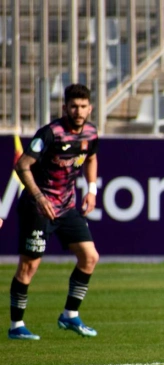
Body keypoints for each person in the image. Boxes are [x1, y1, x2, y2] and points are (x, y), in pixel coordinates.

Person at [9, 84, 101, 341]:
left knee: (90, 257)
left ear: (90, 108)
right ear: (64, 108)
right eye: (73, 106)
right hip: (38, 208)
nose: (78, 111)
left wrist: (91, 190)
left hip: (67, 207)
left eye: (83, 106)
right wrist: (39, 197)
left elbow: (91, 157)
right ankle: (16, 325)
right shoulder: (50, 134)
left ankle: (70, 315)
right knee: (29, 266)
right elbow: (22, 165)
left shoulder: (91, 133)